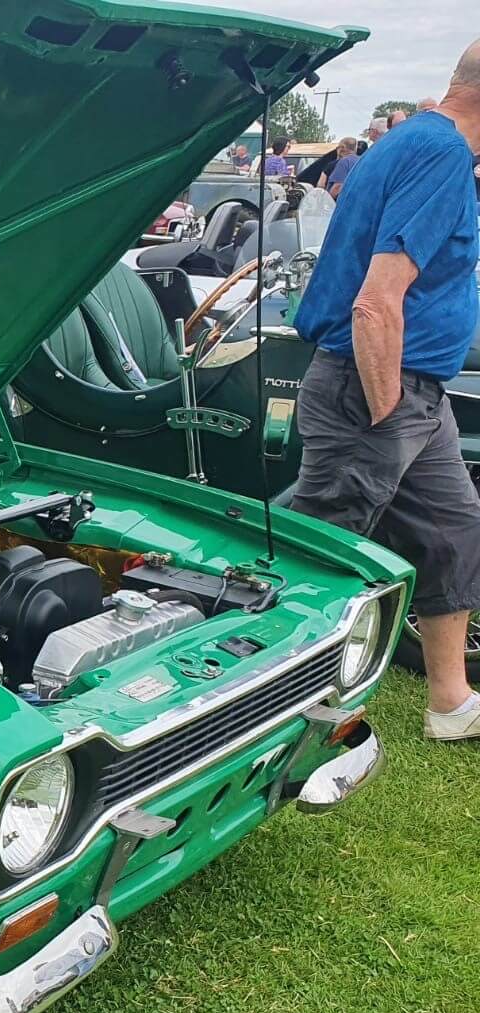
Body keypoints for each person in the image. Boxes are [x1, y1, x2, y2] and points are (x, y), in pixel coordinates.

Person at [289, 39, 480, 741]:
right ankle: (271, 711)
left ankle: (451, 703)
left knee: (454, 529)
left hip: (416, 395)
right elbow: (376, 303)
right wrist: (386, 412)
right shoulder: (441, 154)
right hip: (374, 388)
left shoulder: (416, 142)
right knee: (321, 554)